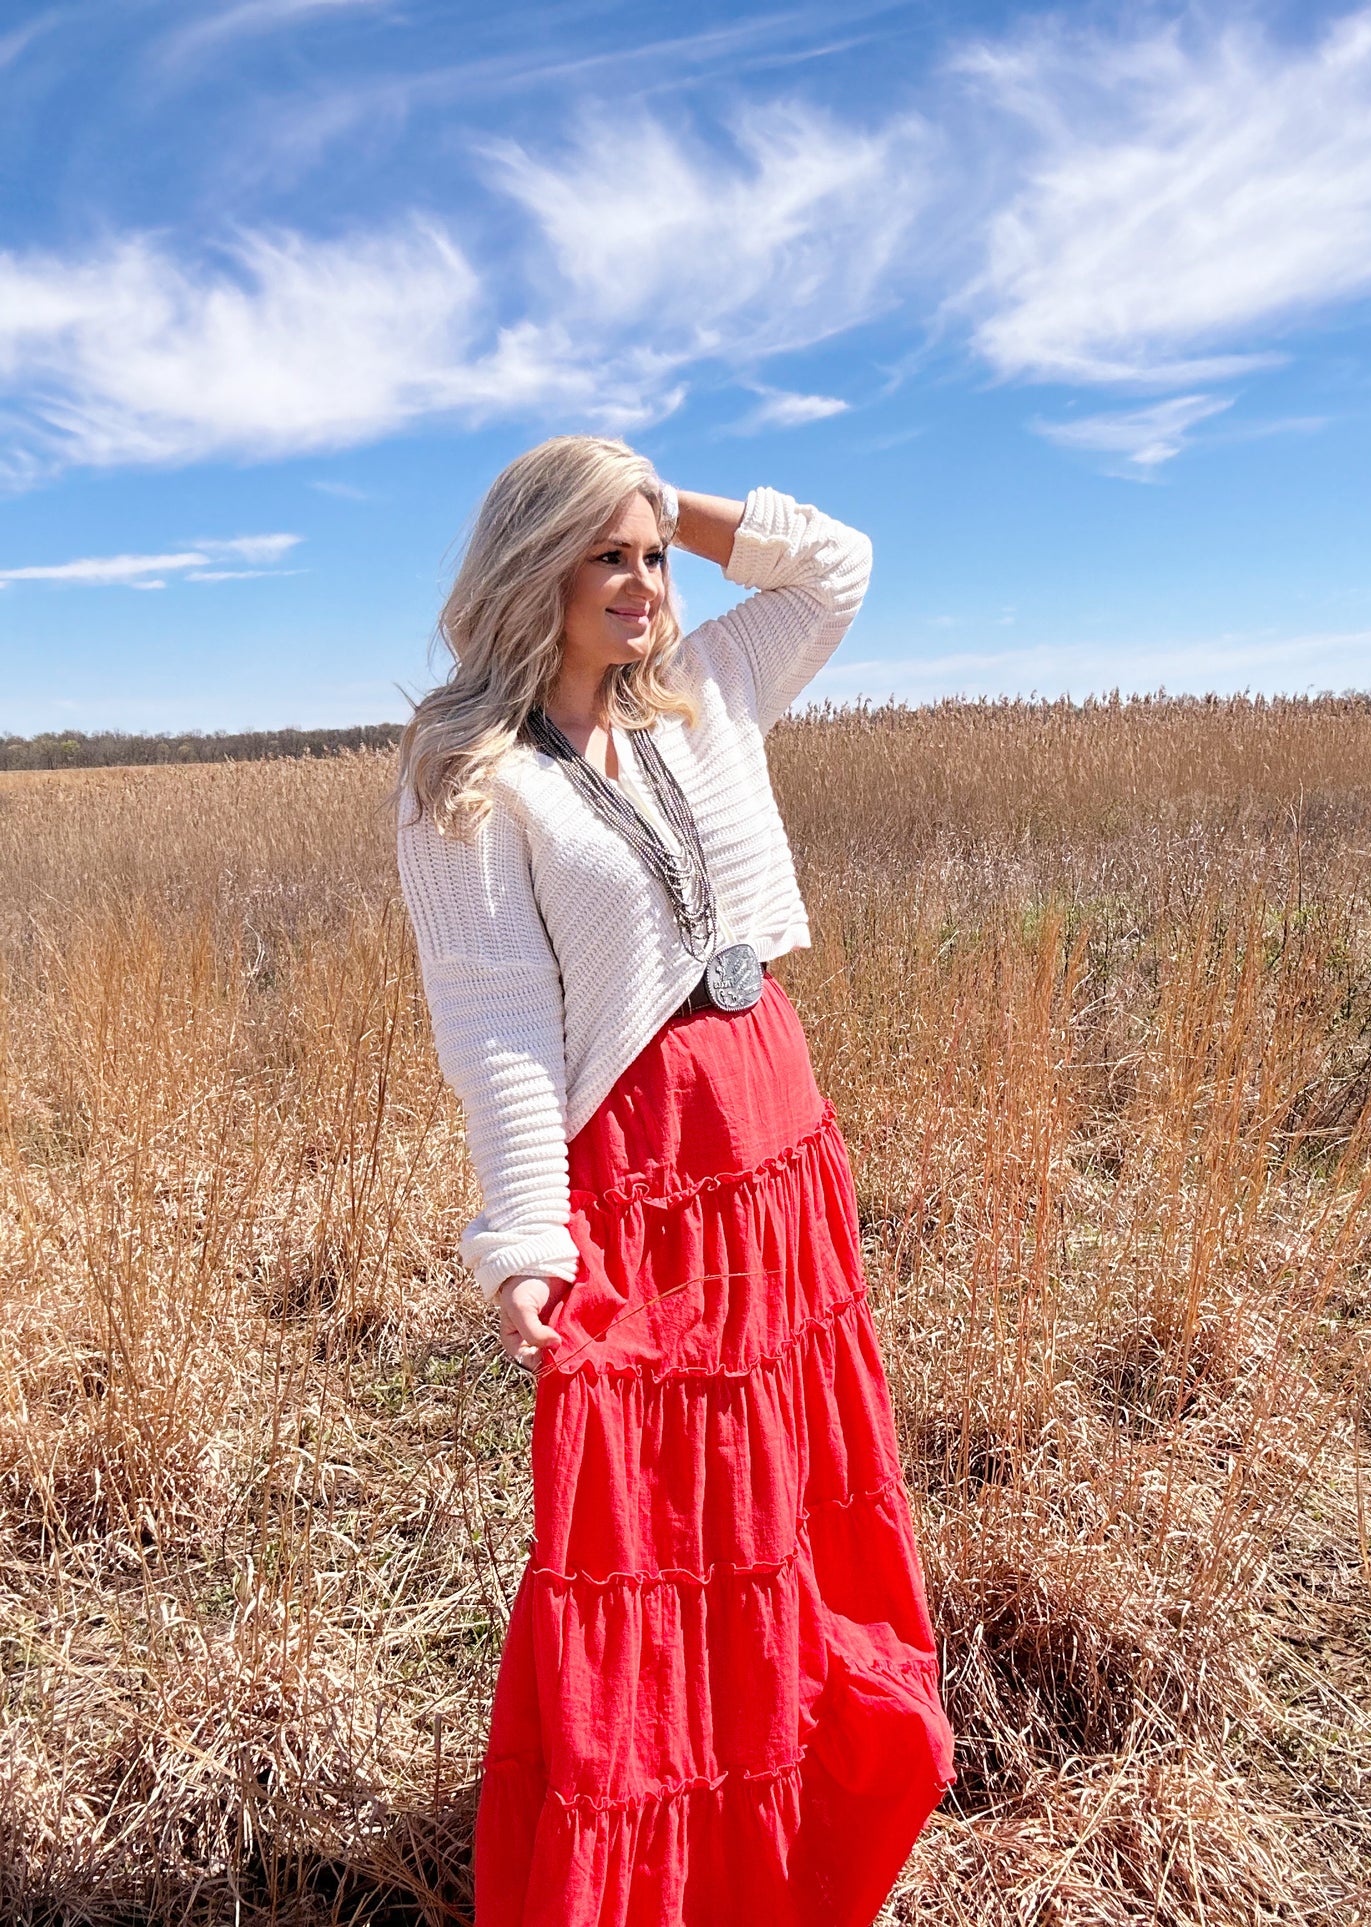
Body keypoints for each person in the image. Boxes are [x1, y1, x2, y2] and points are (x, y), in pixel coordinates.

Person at [394, 435, 955, 1927]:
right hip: (642, 1170)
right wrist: (524, 1234)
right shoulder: (474, 775)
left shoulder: (704, 690)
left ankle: (789, 1805)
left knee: (781, 1487)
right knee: (647, 1521)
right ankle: (662, 1860)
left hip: (772, 1127)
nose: (642, 584)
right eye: (606, 555)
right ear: (536, 570)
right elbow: (499, 1019)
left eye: (651, 556)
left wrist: (657, 490)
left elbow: (837, 564)